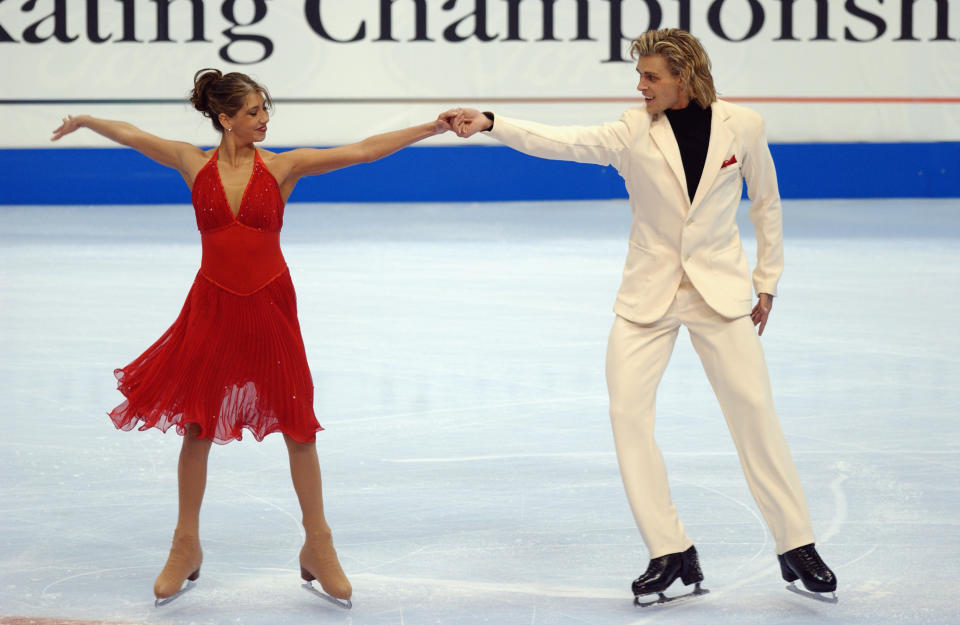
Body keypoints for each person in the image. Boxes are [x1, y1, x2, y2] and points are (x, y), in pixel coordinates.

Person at [443, 28, 837, 603]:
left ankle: (795, 544)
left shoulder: (744, 126)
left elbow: (766, 204)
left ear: (685, 77)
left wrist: (767, 282)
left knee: (754, 414)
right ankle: (670, 549)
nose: (640, 85)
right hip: (647, 296)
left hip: (720, 294)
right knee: (628, 415)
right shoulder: (632, 130)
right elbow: (563, 140)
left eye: (651, 76)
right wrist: (492, 122)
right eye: (641, 75)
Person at [51, 68, 451, 608]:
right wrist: (87, 120)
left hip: (270, 307)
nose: (265, 120)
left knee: (298, 428)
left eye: (266, 110)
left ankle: (319, 544)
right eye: (255, 111)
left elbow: (361, 151)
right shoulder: (193, 163)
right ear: (226, 119)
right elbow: (133, 135)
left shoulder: (283, 167)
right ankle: (185, 545)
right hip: (212, 308)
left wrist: (431, 127)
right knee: (197, 425)